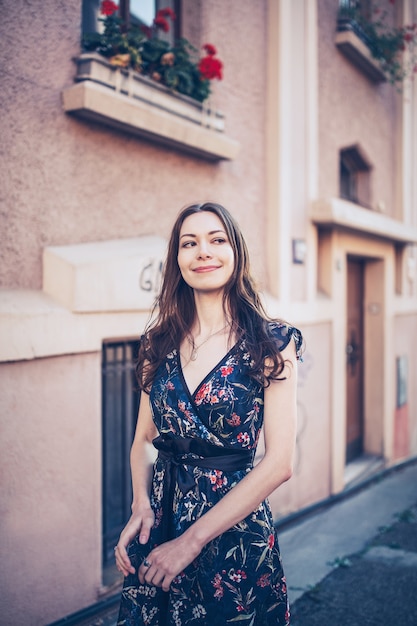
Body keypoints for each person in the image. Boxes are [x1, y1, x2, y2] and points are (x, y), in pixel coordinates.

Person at [115, 202, 303, 625]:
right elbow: (144, 441)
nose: (203, 251)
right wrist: (141, 504)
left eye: (217, 240)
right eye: (189, 243)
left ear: (235, 253)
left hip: (234, 533)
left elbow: (279, 464)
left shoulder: (272, 342)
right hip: (161, 524)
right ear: (177, 260)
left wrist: (190, 542)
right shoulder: (156, 344)